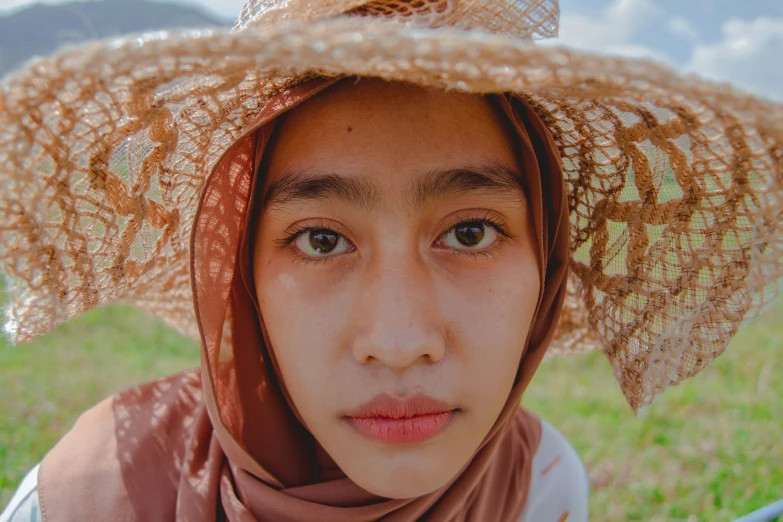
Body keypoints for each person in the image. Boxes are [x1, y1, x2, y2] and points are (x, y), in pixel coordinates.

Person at [0, 0, 780, 521]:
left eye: (470, 233)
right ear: (239, 274)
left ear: (545, 263)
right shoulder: (85, 500)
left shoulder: (540, 489)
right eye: (320, 239)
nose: (400, 339)